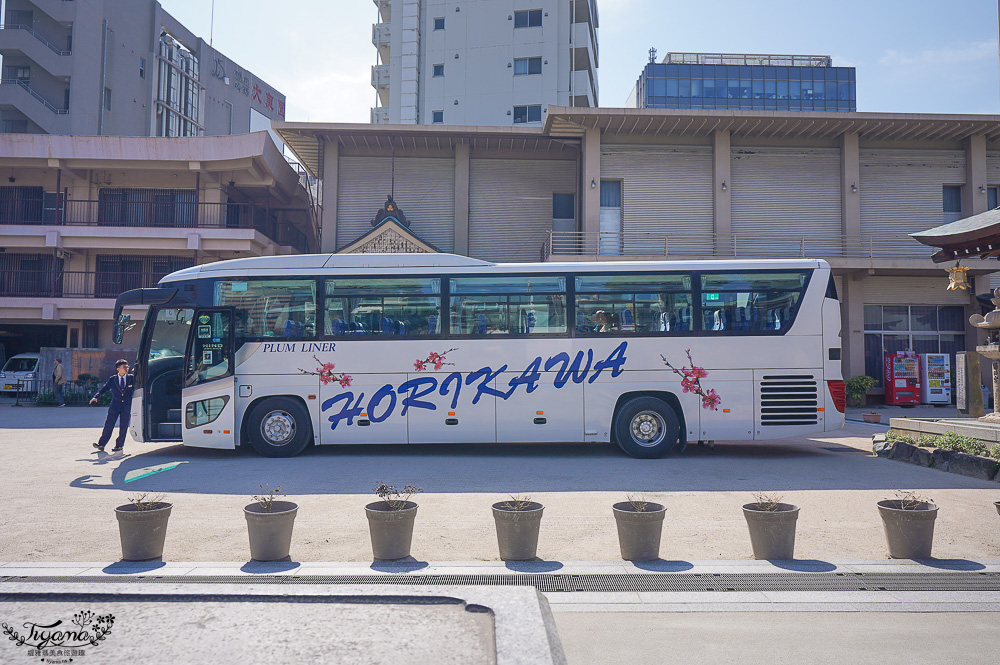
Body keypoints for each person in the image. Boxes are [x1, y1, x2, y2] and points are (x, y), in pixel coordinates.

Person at [90, 359, 134, 453]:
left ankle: (119, 445)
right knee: (109, 425)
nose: (127, 368)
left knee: (123, 426)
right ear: (118, 369)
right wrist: (96, 397)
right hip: (114, 406)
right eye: (124, 367)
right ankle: (101, 444)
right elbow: (104, 389)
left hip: (126, 406)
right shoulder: (112, 379)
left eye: (127, 367)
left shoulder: (131, 378)